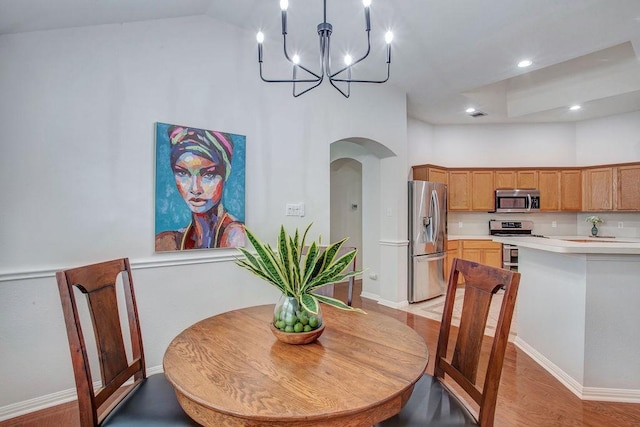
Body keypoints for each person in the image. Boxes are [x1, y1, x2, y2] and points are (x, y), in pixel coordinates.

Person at [155, 125, 245, 250]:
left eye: (208, 174)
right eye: (183, 173)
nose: (195, 189)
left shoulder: (236, 235)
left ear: (226, 174)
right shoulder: (168, 241)